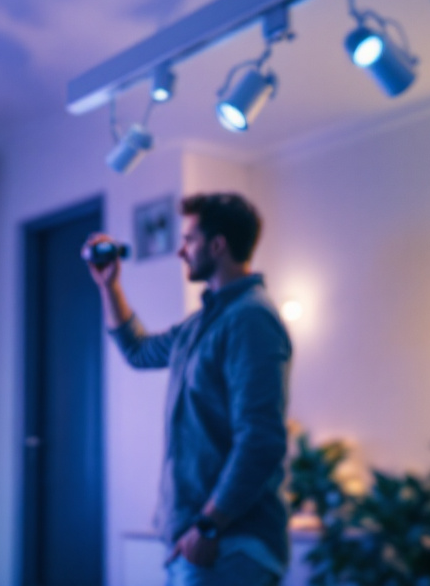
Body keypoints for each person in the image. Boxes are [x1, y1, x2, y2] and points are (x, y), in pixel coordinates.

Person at [86, 192, 292, 586]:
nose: (181, 251)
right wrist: (109, 287)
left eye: (189, 240)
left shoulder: (252, 320)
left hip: (228, 547)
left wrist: (208, 525)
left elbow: (261, 439)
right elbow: (139, 350)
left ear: (217, 246)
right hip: (200, 545)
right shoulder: (202, 324)